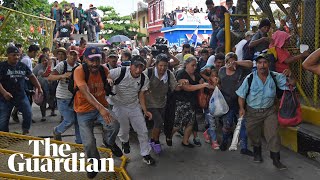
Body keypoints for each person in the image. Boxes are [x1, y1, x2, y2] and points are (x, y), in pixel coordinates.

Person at [236, 54, 294, 170]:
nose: (262, 65)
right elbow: (241, 95)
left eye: (264, 62)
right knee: (253, 134)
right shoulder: (250, 78)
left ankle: (276, 160)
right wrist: (242, 108)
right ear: (256, 65)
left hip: (269, 111)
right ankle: (257, 152)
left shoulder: (275, 76)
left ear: (269, 64)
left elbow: (291, 85)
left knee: (273, 135)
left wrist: (290, 76)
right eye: (259, 63)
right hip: (252, 112)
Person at [74, 47, 123, 178]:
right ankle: (95, 163)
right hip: (83, 111)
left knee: (115, 125)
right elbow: (85, 92)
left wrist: (109, 79)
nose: (95, 63)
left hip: (101, 107)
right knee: (89, 142)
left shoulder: (103, 69)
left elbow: (108, 75)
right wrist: (101, 108)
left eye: (97, 60)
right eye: (91, 60)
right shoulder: (79, 71)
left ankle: (109, 142)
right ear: (85, 59)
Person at [107, 55, 155, 165]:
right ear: (130, 65)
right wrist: (109, 78)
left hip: (134, 105)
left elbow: (141, 95)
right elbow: (107, 73)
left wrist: (145, 110)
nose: (138, 70)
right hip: (118, 105)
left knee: (143, 130)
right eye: (136, 66)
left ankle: (145, 154)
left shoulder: (144, 78)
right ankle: (124, 141)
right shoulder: (120, 71)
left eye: (141, 67)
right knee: (124, 129)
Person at [145, 54, 187, 153]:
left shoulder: (168, 74)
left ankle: (152, 140)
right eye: (160, 65)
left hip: (162, 103)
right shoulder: (149, 72)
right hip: (149, 103)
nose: (163, 68)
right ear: (156, 65)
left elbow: (175, 87)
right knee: (159, 122)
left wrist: (182, 84)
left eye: (165, 66)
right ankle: (156, 141)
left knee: (158, 124)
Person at [171, 54, 214, 148]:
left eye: (195, 65)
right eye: (192, 65)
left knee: (190, 123)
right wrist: (203, 85)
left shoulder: (195, 74)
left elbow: (201, 80)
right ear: (186, 64)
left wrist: (206, 83)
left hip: (192, 103)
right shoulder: (181, 73)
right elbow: (188, 88)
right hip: (182, 103)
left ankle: (185, 141)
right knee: (178, 124)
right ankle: (168, 137)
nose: (194, 67)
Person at [0, 46, 42, 134]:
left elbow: (31, 76)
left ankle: (25, 132)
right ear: (8, 55)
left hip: (20, 95)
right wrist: (4, 93)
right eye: (14, 55)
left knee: (28, 114)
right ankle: (4, 137)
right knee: (3, 119)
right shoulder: (2, 66)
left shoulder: (22, 66)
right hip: (5, 98)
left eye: (18, 55)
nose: (16, 57)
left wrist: (39, 87)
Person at [218, 52, 253, 155]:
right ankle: (225, 141)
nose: (231, 64)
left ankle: (244, 147)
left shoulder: (241, 70)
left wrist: (236, 62)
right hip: (226, 102)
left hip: (240, 101)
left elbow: (250, 64)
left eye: (233, 61)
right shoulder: (222, 70)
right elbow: (219, 83)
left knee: (243, 125)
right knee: (227, 124)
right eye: (228, 62)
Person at [47, 48, 82, 144]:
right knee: (69, 120)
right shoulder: (62, 65)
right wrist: (62, 76)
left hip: (75, 97)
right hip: (63, 97)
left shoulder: (79, 66)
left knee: (78, 121)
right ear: (68, 55)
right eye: (71, 54)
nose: (73, 56)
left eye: (75, 55)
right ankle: (57, 131)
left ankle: (79, 142)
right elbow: (50, 77)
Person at [33, 55, 55, 122]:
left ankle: (52, 111)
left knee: (52, 100)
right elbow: (33, 75)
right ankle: (43, 116)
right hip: (41, 87)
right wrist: (35, 86)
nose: (45, 62)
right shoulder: (38, 67)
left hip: (51, 86)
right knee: (43, 102)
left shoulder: (51, 66)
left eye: (46, 60)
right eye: (43, 60)